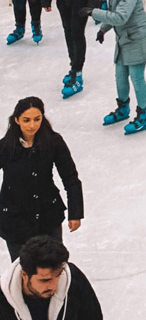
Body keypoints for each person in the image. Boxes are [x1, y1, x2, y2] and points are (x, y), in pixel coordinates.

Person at [0, 99, 83, 263]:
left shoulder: (54, 142)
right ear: (16, 120)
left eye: (37, 119)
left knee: (54, 266)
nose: (32, 125)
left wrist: (75, 213)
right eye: (26, 120)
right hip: (15, 220)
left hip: (47, 216)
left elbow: (70, 178)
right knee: (23, 271)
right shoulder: (5, 147)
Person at [90, 0, 146, 136]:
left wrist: (93, 12)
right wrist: (103, 29)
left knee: (136, 77)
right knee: (120, 75)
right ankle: (123, 108)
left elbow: (120, 17)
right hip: (125, 39)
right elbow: (114, 13)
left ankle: (143, 115)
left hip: (138, 39)